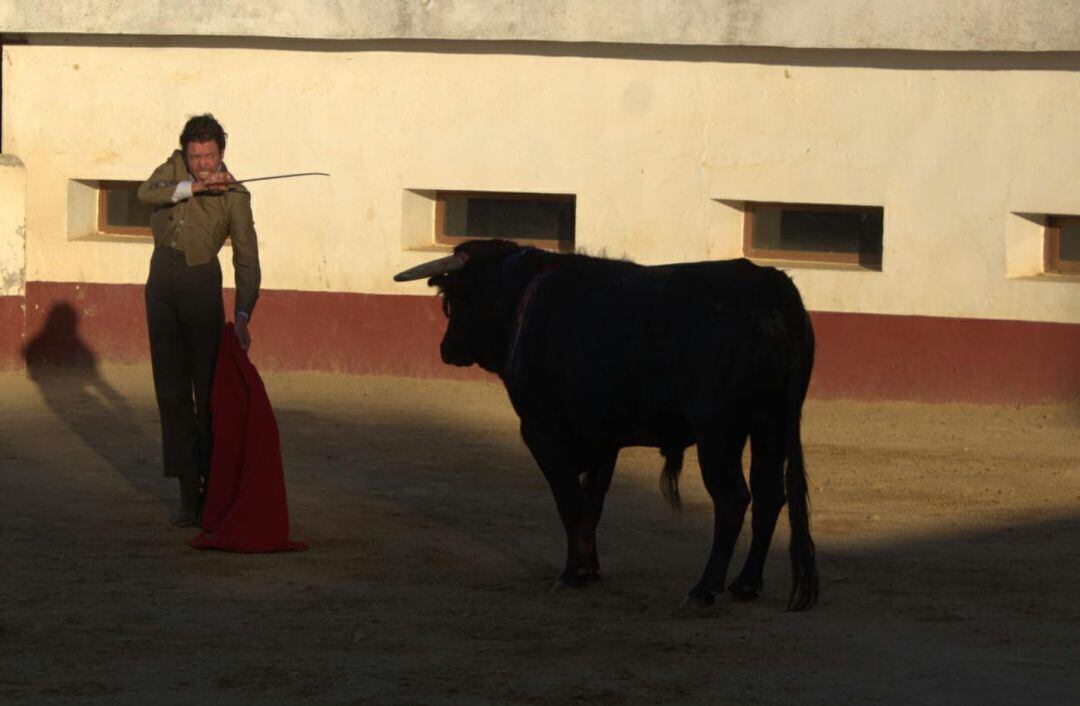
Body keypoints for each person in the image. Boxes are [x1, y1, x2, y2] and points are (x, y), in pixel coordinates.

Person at [137, 114, 261, 526]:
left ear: (221, 154)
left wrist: (243, 313)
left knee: (207, 394)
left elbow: (247, 259)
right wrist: (191, 186)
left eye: (209, 156)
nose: (202, 163)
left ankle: (211, 486)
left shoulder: (236, 196)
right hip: (161, 285)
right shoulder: (173, 170)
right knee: (171, 394)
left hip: (201, 286)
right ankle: (187, 488)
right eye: (195, 156)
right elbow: (145, 193)